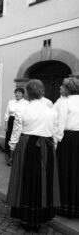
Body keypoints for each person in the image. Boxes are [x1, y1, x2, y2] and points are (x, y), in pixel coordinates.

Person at [6, 79, 60, 231]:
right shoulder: (51, 110)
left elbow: (16, 131)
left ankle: (26, 217)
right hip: (47, 147)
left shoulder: (23, 110)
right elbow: (55, 133)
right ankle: (42, 217)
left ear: (28, 93)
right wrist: (53, 148)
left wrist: (12, 148)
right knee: (44, 181)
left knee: (26, 180)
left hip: (27, 146)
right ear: (42, 91)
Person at [54, 77, 79, 218]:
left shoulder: (66, 102)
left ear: (68, 88)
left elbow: (60, 125)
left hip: (68, 140)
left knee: (66, 171)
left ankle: (65, 206)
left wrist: (56, 145)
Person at [4, 88, 28, 166]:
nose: (17, 94)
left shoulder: (26, 103)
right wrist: (6, 125)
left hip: (20, 123)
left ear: (23, 94)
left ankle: (17, 158)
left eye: (19, 93)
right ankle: (8, 157)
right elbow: (7, 114)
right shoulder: (11, 102)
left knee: (18, 139)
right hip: (11, 121)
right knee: (9, 138)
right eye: (16, 93)